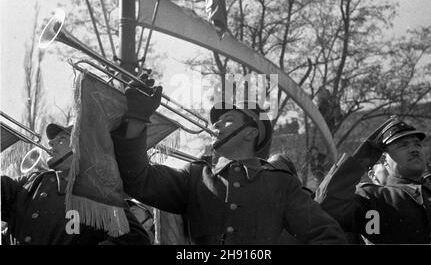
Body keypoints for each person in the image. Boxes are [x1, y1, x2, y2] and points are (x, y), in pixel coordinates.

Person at [110, 79, 348, 244]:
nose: (216, 125)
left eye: (228, 120)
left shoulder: (281, 184)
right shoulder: (195, 176)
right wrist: (137, 118)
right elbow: (138, 180)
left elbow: (327, 235)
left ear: (250, 132)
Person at [1, 122, 150, 245]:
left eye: (62, 139)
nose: (51, 142)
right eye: (53, 140)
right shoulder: (32, 180)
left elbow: (135, 239)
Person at [315, 116, 431, 244]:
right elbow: (327, 206)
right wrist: (364, 156)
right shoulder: (373, 199)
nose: (413, 149)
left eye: (417, 144)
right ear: (384, 159)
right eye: (403, 145)